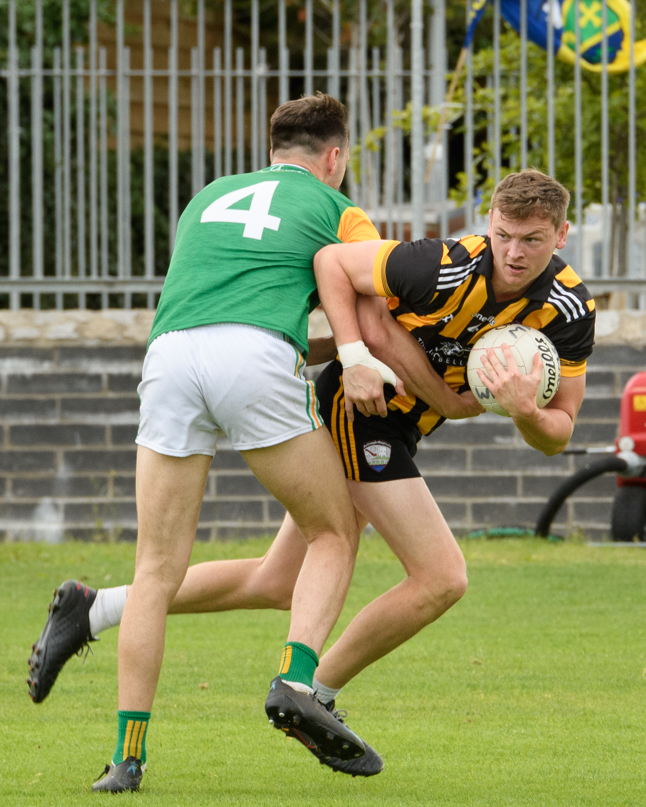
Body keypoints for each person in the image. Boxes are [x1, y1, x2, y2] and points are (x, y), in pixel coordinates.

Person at [28, 169, 594, 781]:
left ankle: (97, 608)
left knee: (277, 582)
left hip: (400, 427)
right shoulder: (442, 264)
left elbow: (557, 433)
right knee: (440, 576)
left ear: (561, 235)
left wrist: (527, 411)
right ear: (489, 223)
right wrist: (356, 357)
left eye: (532, 240)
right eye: (505, 234)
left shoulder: (568, 310)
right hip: (361, 411)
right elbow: (331, 263)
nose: (514, 252)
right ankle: (310, 695)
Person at [27, 93, 411, 793]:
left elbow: (224, 298)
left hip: (170, 356)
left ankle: (126, 758)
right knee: (332, 532)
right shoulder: (339, 208)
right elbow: (369, 318)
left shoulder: (207, 198)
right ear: (334, 156)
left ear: (273, 149)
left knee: (156, 570)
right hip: (254, 359)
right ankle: (298, 681)